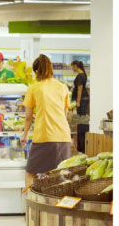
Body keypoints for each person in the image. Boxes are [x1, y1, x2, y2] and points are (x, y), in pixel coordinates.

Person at [20, 54, 71, 187]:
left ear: (37, 71)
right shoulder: (63, 87)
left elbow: (28, 117)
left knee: (30, 173)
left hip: (45, 136)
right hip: (64, 137)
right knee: (60, 176)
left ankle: (31, 205)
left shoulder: (34, 88)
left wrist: (24, 135)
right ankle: (56, 206)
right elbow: (64, 114)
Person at [70, 60, 90, 152]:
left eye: (72, 66)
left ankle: (80, 138)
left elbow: (80, 89)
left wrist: (77, 102)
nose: (71, 68)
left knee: (80, 119)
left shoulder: (80, 76)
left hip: (81, 100)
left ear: (75, 66)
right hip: (84, 99)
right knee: (81, 118)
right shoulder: (83, 74)